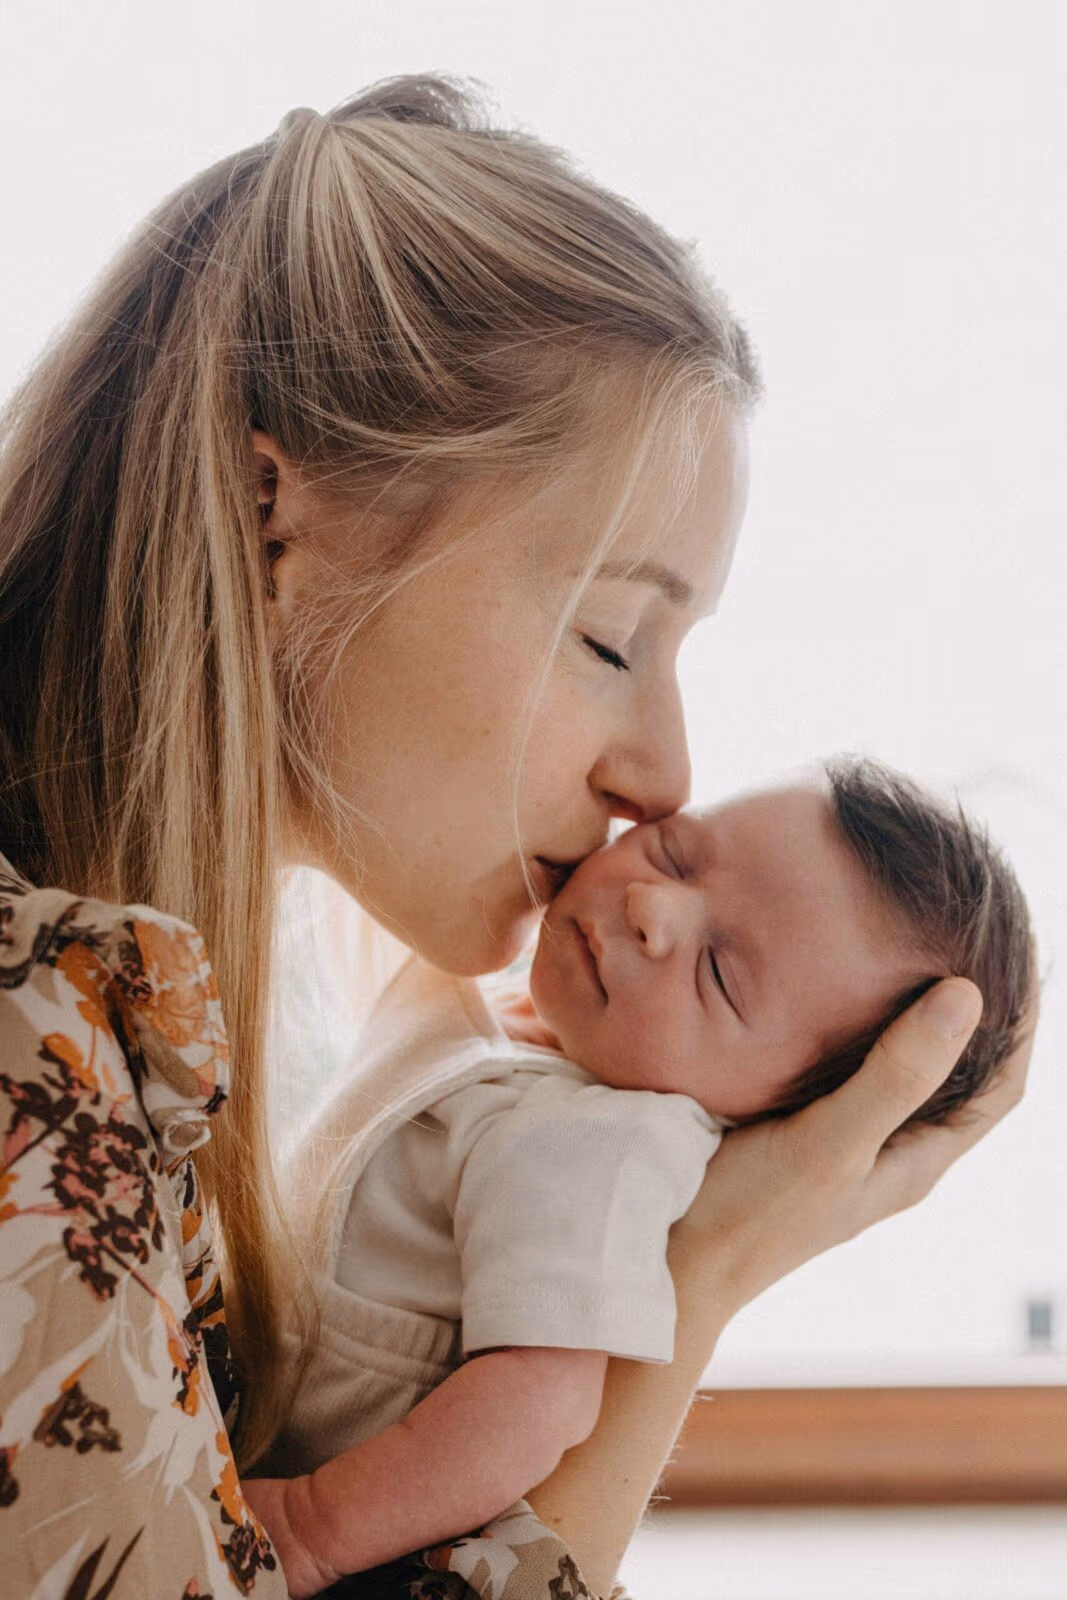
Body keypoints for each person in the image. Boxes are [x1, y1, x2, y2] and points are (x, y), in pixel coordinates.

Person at [0, 75, 1034, 1600]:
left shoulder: (134, 1021)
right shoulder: (32, 1053)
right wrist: (699, 1287)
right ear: (270, 513)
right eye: (608, 636)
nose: (662, 778)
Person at [245, 756, 1034, 1596]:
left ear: (776, 1118)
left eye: (719, 974)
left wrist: (313, 1525)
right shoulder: (530, 1027)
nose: (651, 909)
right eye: (675, 854)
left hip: (338, 1526)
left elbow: (539, 1403)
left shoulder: (603, 1148)